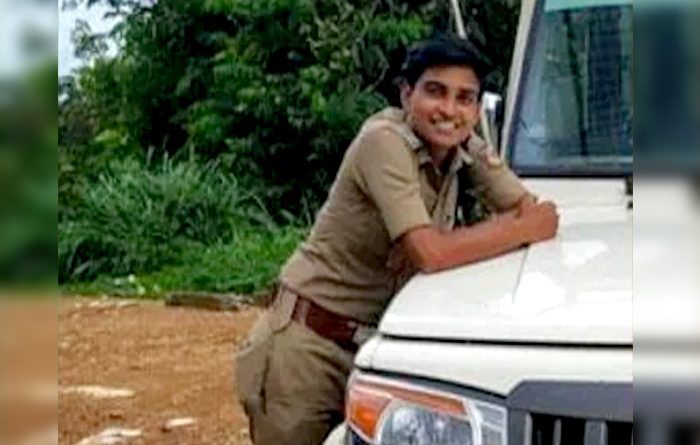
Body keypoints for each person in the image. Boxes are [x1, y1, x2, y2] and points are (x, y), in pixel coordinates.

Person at [234, 34, 559, 445]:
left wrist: (526, 221)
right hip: (308, 345)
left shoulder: (461, 145)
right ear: (407, 95)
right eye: (435, 92)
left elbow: (529, 208)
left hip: (377, 349)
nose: (449, 110)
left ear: (478, 109)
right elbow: (430, 252)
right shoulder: (383, 141)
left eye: (464, 98)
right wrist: (521, 229)